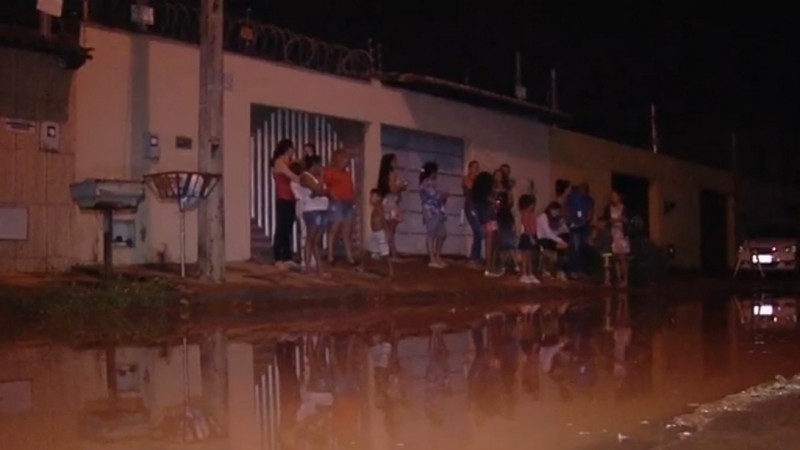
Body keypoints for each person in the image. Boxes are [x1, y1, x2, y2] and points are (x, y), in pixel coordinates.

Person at [270, 138, 300, 271]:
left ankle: (287, 257)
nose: (293, 151)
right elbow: (293, 176)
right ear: (287, 149)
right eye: (291, 149)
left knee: (288, 228)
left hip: (292, 198)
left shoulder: (290, 162)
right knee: (281, 228)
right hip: (283, 198)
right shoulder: (279, 162)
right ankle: (278, 258)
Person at [298, 156, 329, 276]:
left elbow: (323, 192)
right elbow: (318, 190)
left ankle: (319, 268)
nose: (321, 167)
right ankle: (307, 267)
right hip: (312, 210)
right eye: (319, 165)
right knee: (310, 239)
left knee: (316, 241)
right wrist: (321, 178)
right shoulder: (306, 176)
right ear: (314, 165)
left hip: (321, 209)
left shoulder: (314, 178)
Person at [324, 149, 357, 265]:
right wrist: (332, 195)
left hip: (348, 203)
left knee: (347, 231)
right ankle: (330, 256)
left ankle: (349, 257)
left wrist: (353, 198)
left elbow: (351, 188)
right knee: (334, 228)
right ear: (338, 159)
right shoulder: (330, 171)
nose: (346, 162)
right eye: (344, 159)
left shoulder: (347, 174)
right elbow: (324, 186)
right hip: (337, 203)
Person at [377, 153, 408, 259]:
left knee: (390, 230)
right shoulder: (391, 174)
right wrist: (401, 187)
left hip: (389, 202)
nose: (397, 163)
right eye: (395, 161)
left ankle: (390, 252)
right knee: (390, 230)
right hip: (390, 203)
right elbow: (393, 189)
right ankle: (391, 253)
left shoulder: (385, 174)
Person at [419, 162, 448, 268]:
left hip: (439, 212)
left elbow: (441, 198)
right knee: (431, 235)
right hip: (430, 212)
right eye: (435, 171)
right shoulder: (425, 183)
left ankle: (437, 256)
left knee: (442, 234)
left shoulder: (433, 183)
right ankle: (432, 259)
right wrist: (443, 195)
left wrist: (443, 196)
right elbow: (435, 196)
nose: (436, 173)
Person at [472, 171, 501, 277]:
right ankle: (489, 268)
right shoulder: (485, 199)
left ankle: (490, 267)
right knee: (491, 245)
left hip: (488, 221)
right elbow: (490, 209)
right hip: (490, 221)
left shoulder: (479, 197)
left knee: (492, 245)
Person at [360, 189, 394, 278]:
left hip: (380, 232)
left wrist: (386, 229)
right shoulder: (376, 206)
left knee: (384, 252)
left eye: (373, 196)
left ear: (378, 198)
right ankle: (362, 266)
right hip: (376, 233)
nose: (371, 198)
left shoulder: (378, 206)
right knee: (369, 250)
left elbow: (382, 218)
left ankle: (390, 270)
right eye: (371, 196)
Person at [565, 183, 595, 278]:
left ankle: (581, 270)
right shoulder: (571, 198)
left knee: (582, 248)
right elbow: (566, 209)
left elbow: (589, 214)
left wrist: (583, 222)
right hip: (574, 227)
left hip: (583, 227)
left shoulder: (589, 200)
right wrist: (571, 221)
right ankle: (574, 270)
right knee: (575, 248)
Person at [602, 190, 631, 287]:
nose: (613, 197)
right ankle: (618, 279)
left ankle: (625, 279)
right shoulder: (608, 208)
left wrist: (619, 220)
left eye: (615, 195)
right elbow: (605, 220)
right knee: (615, 258)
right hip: (613, 235)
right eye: (611, 196)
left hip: (621, 235)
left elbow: (627, 220)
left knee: (622, 258)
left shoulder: (624, 208)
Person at [537, 201, 569, 281]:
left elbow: (556, 232)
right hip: (542, 239)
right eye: (556, 211)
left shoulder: (554, 219)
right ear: (551, 209)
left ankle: (560, 270)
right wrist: (560, 241)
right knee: (561, 246)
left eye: (558, 212)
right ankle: (558, 270)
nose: (557, 213)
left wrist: (562, 226)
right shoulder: (543, 217)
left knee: (564, 242)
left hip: (549, 239)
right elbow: (548, 233)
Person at [462, 161, 483, 266]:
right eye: (474, 167)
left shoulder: (479, 181)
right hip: (471, 206)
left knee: (478, 232)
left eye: (477, 167)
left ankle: (476, 257)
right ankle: (474, 257)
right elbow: (470, 188)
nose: (476, 169)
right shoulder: (466, 179)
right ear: (470, 168)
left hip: (479, 207)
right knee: (478, 231)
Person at [518, 194, 540, 284]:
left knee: (530, 257)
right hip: (527, 236)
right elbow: (525, 226)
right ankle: (524, 274)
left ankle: (530, 273)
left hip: (532, 235)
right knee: (525, 257)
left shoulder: (531, 213)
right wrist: (530, 237)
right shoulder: (525, 213)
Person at [496, 191, 517, 276]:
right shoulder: (508, 211)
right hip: (509, 232)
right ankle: (516, 265)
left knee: (503, 250)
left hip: (504, 232)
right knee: (511, 249)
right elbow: (512, 223)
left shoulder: (500, 212)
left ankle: (503, 267)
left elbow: (498, 224)